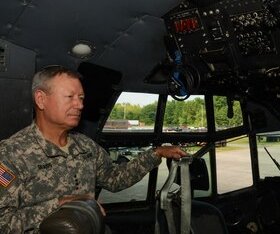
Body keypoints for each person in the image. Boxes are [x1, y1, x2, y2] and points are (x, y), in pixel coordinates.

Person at [0, 66, 188, 233]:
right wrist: (57, 206)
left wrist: (156, 153)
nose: (80, 105)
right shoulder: (11, 154)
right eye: (70, 97)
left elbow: (115, 179)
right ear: (41, 99)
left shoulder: (86, 146)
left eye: (81, 98)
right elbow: (3, 222)